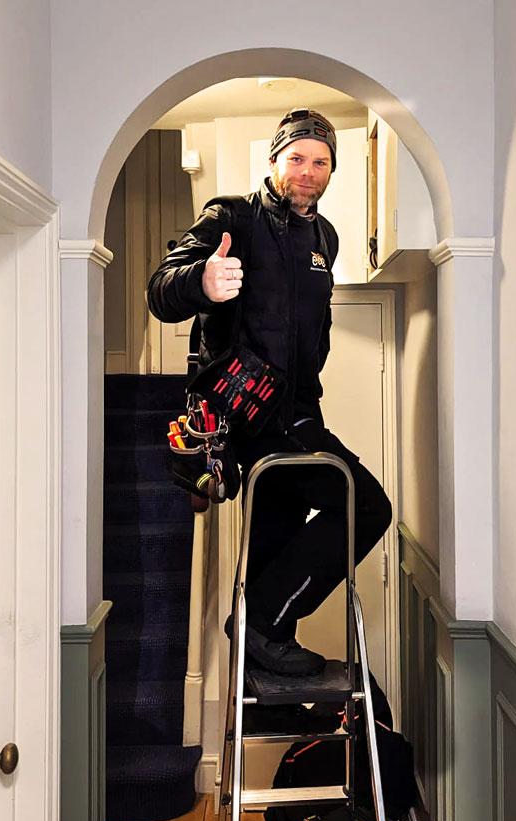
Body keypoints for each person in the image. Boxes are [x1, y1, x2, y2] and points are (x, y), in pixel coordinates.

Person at [148, 108, 392, 676]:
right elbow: (162, 291)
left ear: (333, 169)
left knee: (276, 543)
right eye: (297, 158)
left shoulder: (324, 237)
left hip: (300, 413)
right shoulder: (231, 217)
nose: (308, 171)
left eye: (321, 161)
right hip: (243, 417)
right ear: (274, 159)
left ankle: (261, 638)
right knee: (366, 506)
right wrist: (201, 283)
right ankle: (260, 624)